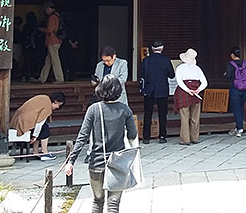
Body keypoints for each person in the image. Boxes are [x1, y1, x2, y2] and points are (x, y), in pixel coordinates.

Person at [66, 74, 138, 213]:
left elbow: (82, 136)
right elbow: (132, 135)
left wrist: (71, 161)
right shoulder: (125, 109)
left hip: (97, 162)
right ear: (118, 90)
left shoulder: (93, 109)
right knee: (113, 204)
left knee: (97, 201)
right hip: (118, 163)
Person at [9, 91, 66, 161]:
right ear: (56, 101)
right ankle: (44, 152)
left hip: (18, 121)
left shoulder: (43, 98)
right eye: (58, 105)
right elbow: (39, 123)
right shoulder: (47, 106)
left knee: (40, 130)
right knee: (45, 129)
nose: (57, 107)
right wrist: (35, 136)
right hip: (24, 124)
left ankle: (35, 152)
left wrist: (35, 135)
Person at [138, 40, 175, 144]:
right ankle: (162, 136)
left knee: (147, 113)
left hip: (149, 89)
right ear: (162, 49)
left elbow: (141, 74)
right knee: (162, 114)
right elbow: (171, 75)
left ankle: (146, 137)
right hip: (162, 89)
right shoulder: (166, 60)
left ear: (152, 49)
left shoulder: (146, 60)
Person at [173, 48, 207, 145]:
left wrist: (188, 90)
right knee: (195, 118)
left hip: (183, 93)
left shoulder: (180, 68)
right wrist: (198, 90)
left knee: (184, 117)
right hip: (196, 93)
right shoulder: (197, 69)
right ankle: (195, 138)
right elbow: (205, 82)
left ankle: (185, 139)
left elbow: (179, 81)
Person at [225, 47, 246, 138]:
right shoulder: (245, 63)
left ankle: (240, 128)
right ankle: (238, 127)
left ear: (232, 55)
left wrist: (226, 74)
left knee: (236, 109)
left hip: (235, 88)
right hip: (245, 88)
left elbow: (228, 76)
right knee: (240, 107)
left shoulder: (230, 64)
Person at [38, 1, 64, 83]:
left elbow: (50, 29)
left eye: (46, 9)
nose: (46, 11)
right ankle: (42, 78)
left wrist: (41, 29)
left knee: (55, 61)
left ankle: (59, 79)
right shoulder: (58, 16)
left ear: (50, 8)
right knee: (48, 61)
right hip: (57, 40)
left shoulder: (52, 17)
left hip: (52, 40)